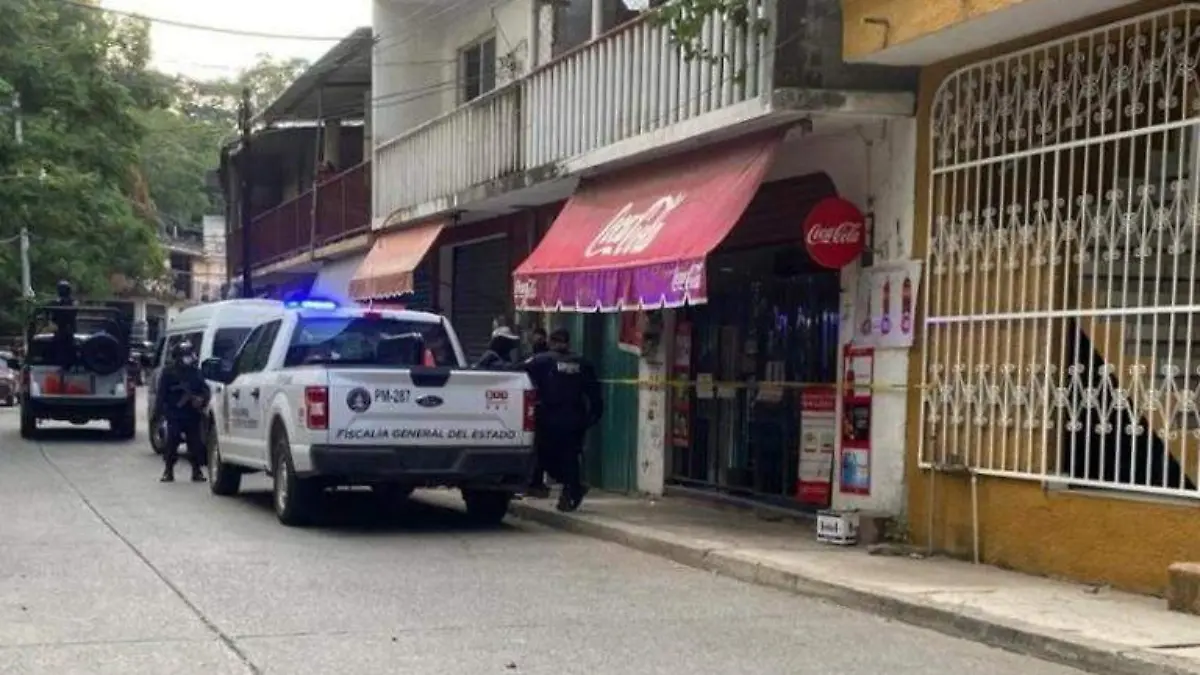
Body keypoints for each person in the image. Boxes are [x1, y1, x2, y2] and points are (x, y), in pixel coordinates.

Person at [522, 328, 603, 512]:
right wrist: (593, 416)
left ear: (551, 341)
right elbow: (595, 394)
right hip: (574, 419)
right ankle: (572, 489)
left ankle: (571, 489)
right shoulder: (582, 363)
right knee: (569, 458)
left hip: (549, 418)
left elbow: (517, 371)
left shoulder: (541, 360)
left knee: (546, 457)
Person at [154, 341, 211, 483]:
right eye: (186, 355)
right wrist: (158, 413)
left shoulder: (195, 372)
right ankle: (168, 470)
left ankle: (196, 471)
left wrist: (201, 399)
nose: (189, 358)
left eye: (189, 355)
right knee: (172, 442)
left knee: (195, 444)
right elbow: (161, 394)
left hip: (192, 414)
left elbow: (205, 390)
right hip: (174, 413)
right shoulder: (169, 372)